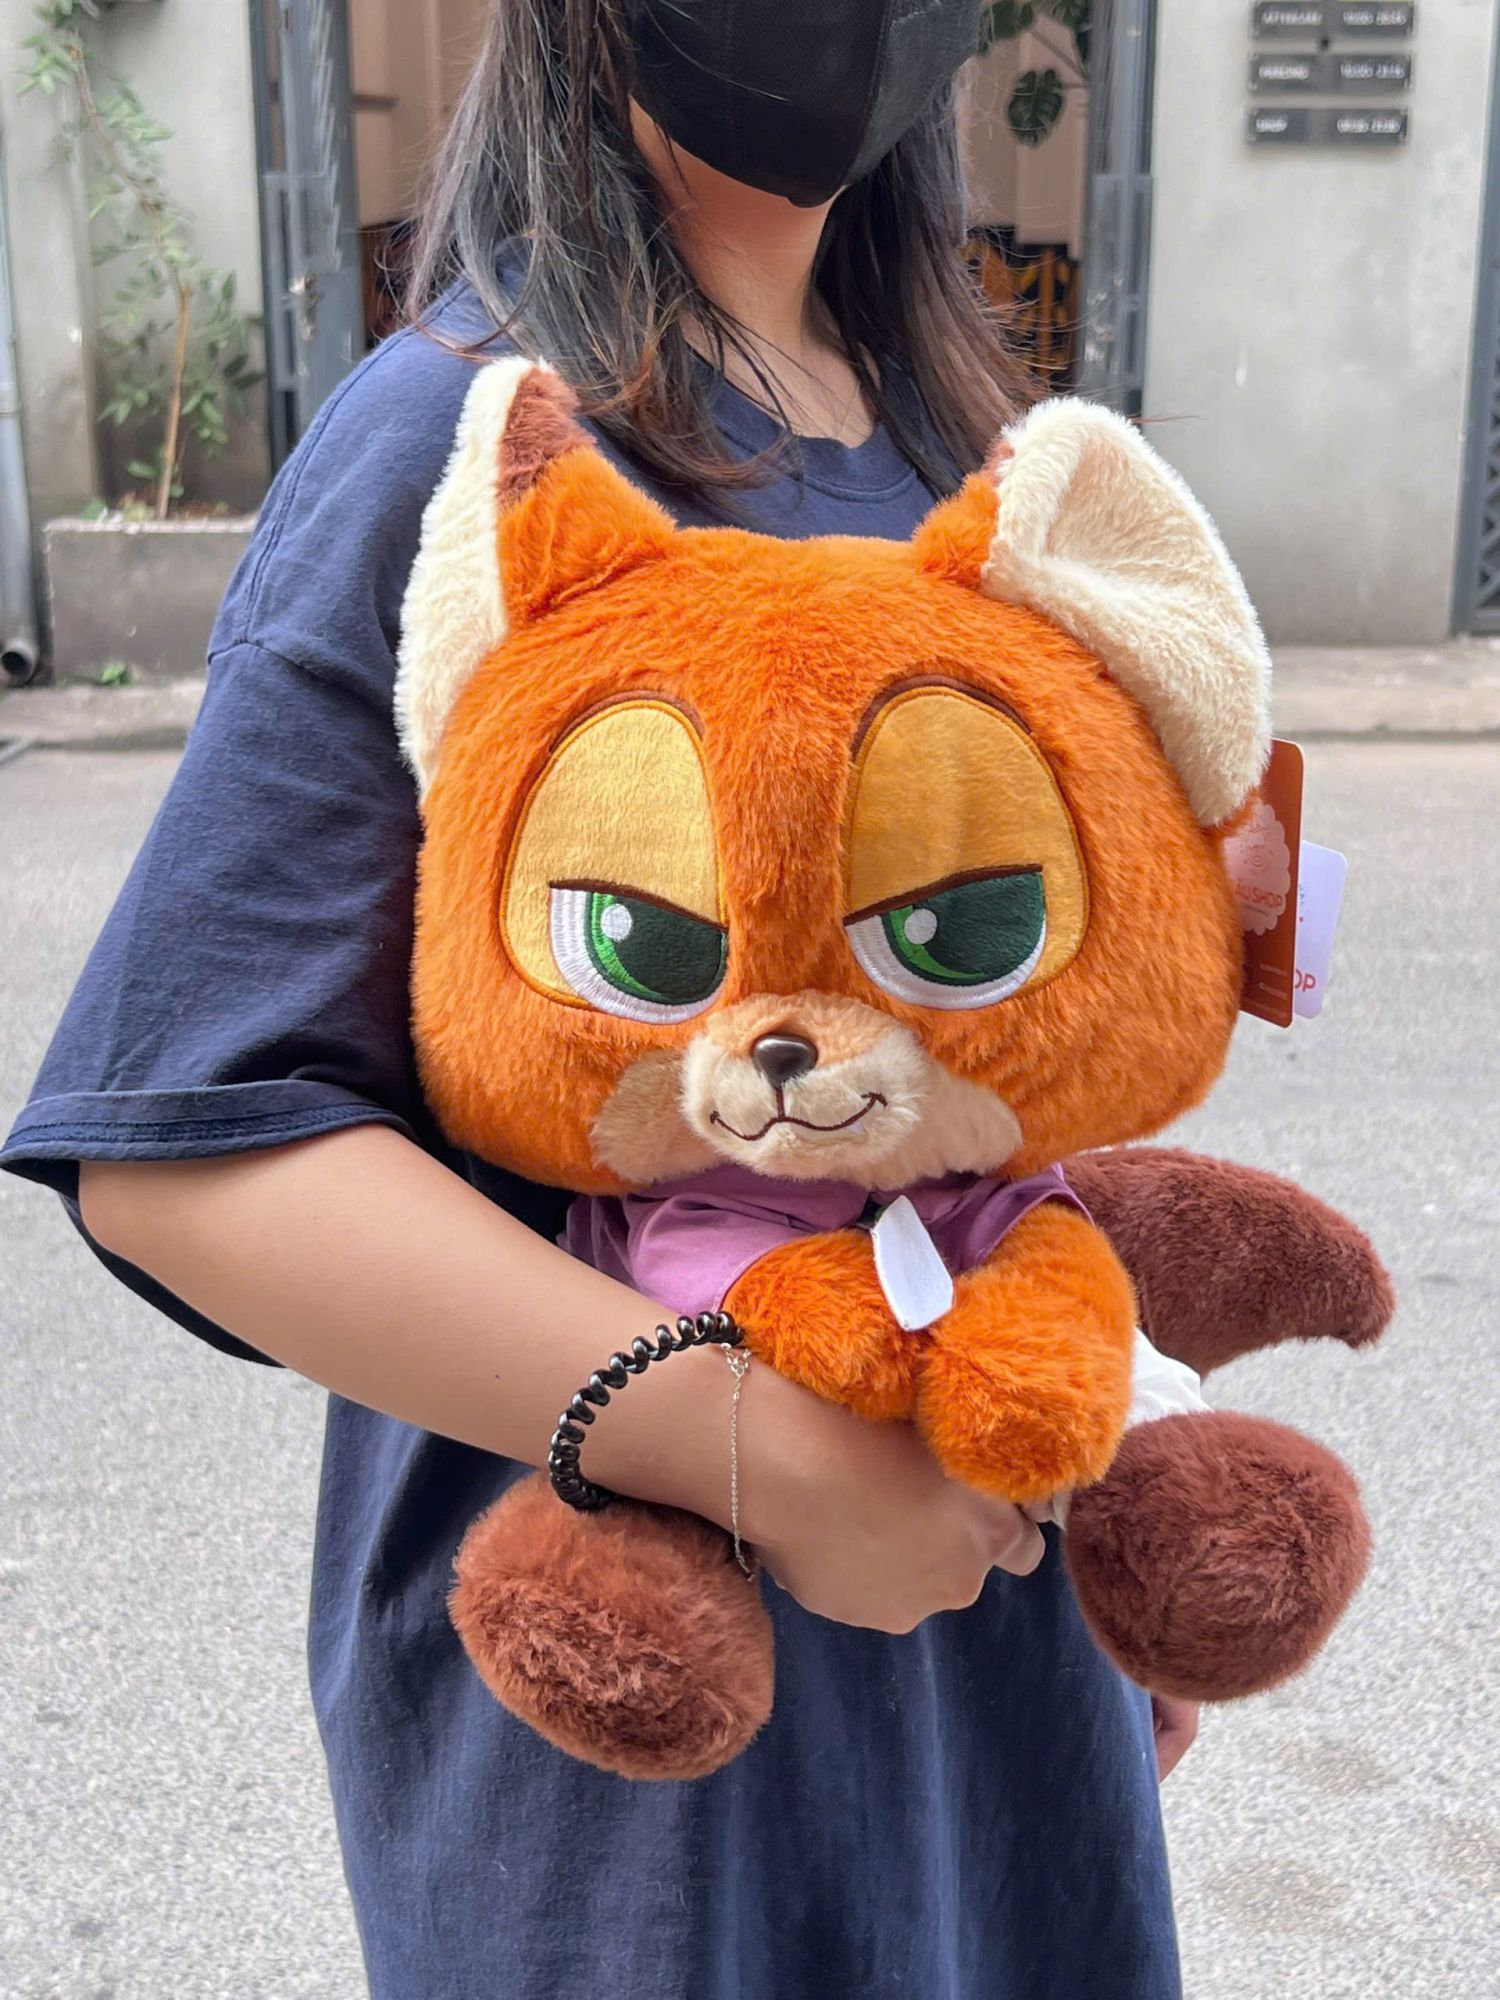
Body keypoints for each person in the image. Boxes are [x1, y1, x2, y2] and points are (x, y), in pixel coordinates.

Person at [1, 3, 1197, 1994]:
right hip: (646, 1744)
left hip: (991, 1675)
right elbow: (189, 1150)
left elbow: (1019, 1066)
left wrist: (1127, 1496)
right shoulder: (479, 440)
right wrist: (769, 1461)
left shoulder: (954, 449)